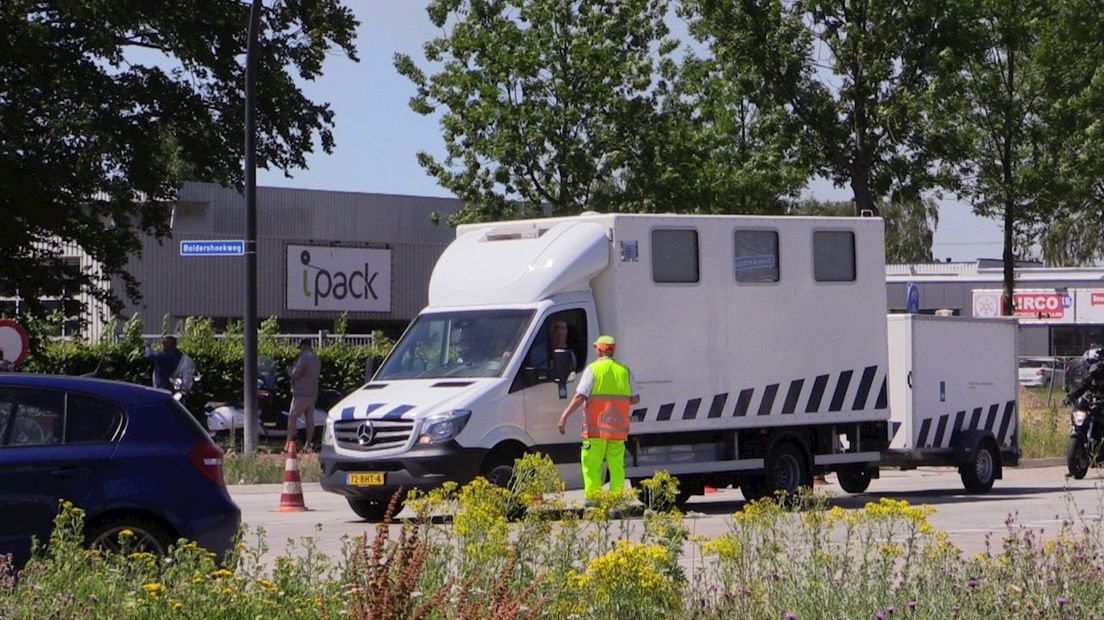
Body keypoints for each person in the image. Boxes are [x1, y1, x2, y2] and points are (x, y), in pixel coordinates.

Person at [557, 335, 640, 501]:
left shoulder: (593, 370)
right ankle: (616, 501)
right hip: (618, 430)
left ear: (600, 349)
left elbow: (580, 396)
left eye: (596, 347)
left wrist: (564, 416)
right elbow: (636, 398)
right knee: (617, 467)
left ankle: (593, 500)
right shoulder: (624, 370)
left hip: (595, 430)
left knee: (591, 465)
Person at [287, 338, 322, 449]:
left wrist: (289, 369)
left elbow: (295, 374)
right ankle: (308, 444)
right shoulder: (316, 358)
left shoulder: (303, 358)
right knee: (309, 418)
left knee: (292, 417)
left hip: (301, 393)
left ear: (303, 346)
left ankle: (289, 443)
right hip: (313, 391)